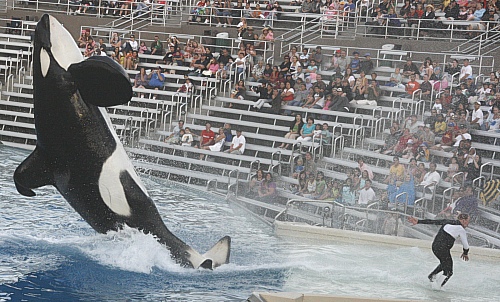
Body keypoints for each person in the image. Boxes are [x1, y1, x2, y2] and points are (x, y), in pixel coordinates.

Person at [408, 214, 470, 287]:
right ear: (463, 220)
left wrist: (418, 221)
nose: (468, 224)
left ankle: (432, 276)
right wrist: (465, 253)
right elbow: (466, 245)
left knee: (444, 263)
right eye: (468, 221)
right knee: (449, 272)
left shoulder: (447, 221)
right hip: (443, 249)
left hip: (435, 247)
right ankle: (437, 288)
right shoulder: (461, 229)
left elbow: (433, 222)